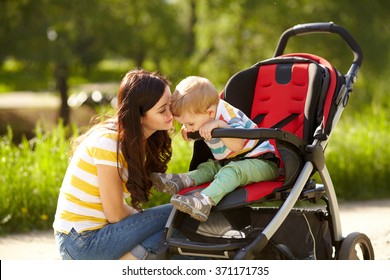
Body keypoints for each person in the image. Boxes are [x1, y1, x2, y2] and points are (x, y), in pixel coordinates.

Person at [53, 69, 175, 260]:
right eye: (162, 110)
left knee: (168, 235)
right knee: (177, 213)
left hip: (100, 234)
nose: (171, 114)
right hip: (81, 242)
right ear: (140, 115)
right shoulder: (109, 141)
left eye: (171, 105)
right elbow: (116, 214)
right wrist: (142, 220)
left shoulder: (137, 140)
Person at [151, 76, 280, 222]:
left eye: (190, 124)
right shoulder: (205, 113)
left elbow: (238, 145)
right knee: (209, 167)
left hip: (263, 163)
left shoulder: (229, 116)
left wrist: (221, 126)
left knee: (232, 171)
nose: (188, 128)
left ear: (211, 113)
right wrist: (192, 131)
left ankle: (205, 201)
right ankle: (184, 180)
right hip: (233, 160)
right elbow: (201, 125)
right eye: (184, 124)